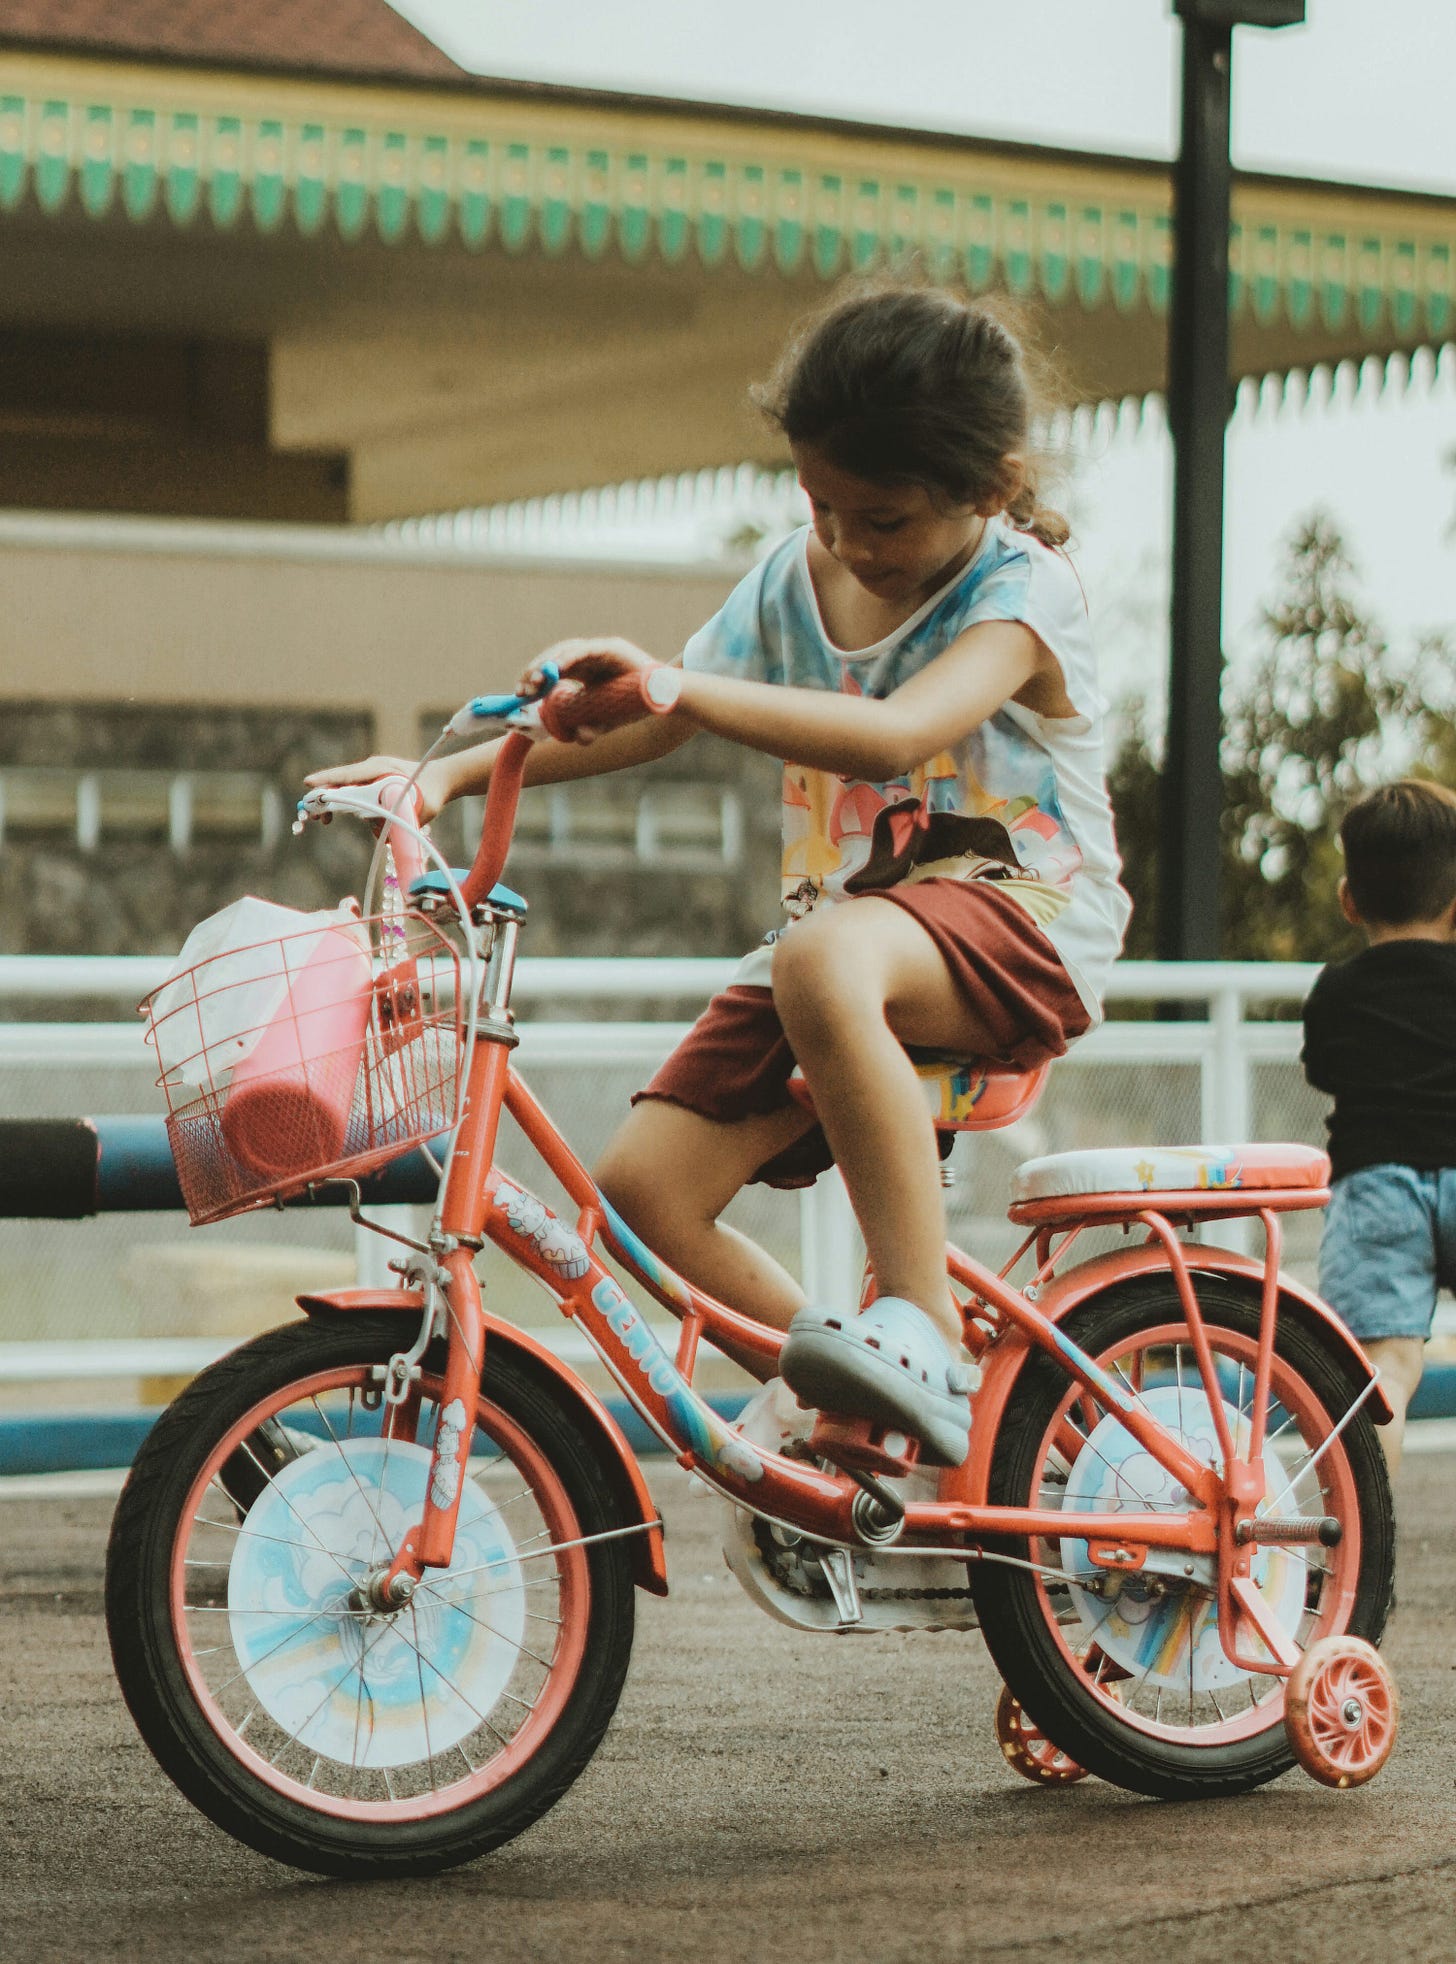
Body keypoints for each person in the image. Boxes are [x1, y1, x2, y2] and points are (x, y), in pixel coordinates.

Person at [306, 285, 1131, 1469]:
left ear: (989, 489)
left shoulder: (1022, 594)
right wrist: (450, 780)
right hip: (845, 942)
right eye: (822, 505)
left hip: (1026, 920)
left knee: (823, 956)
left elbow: (896, 733)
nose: (846, 541)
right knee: (643, 1184)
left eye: (882, 518)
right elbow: (654, 717)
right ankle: (857, 1403)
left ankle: (925, 1335)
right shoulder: (797, 578)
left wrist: (673, 685)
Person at [1301, 777, 1456, 1474]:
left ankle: (1372, 1561)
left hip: (1376, 1189)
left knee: (1382, 1376)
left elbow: (1325, 1068)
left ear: (1348, 900)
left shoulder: (1337, 989)